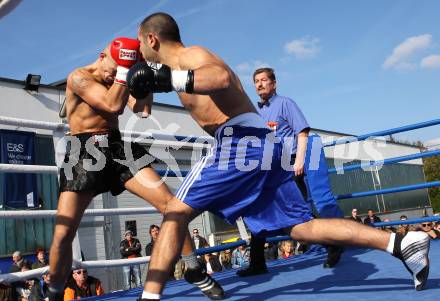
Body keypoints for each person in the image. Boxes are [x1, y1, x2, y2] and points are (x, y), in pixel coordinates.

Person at [127, 12, 430, 300]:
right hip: (264, 146)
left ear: (152, 39)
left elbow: (219, 78)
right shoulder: (173, 69)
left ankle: (151, 295)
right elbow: (140, 110)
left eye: (140, 43)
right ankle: (399, 243)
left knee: (174, 213)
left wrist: (168, 79)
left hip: (239, 142)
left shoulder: (189, 57)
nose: (140, 50)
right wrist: (132, 77)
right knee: (301, 228)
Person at [47, 36, 224, 301]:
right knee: (64, 232)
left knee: (172, 205)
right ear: (102, 56)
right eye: (113, 68)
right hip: (83, 151)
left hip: (118, 147)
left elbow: (141, 110)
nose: (113, 75)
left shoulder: (119, 76)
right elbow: (110, 105)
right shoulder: (79, 77)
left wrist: (144, 80)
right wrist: (123, 70)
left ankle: (194, 268)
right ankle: (53, 292)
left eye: (120, 70)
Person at [237, 67, 344, 277]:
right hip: (272, 166)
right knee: (260, 207)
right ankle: (258, 261)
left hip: (291, 163)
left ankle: (332, 244)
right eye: (256, 81)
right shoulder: (256, 112)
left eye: (264, 80)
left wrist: (300, 161)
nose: (259, 84)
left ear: (273, 84)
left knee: (297, 210)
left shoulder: (285, 103)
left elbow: (302, 132)